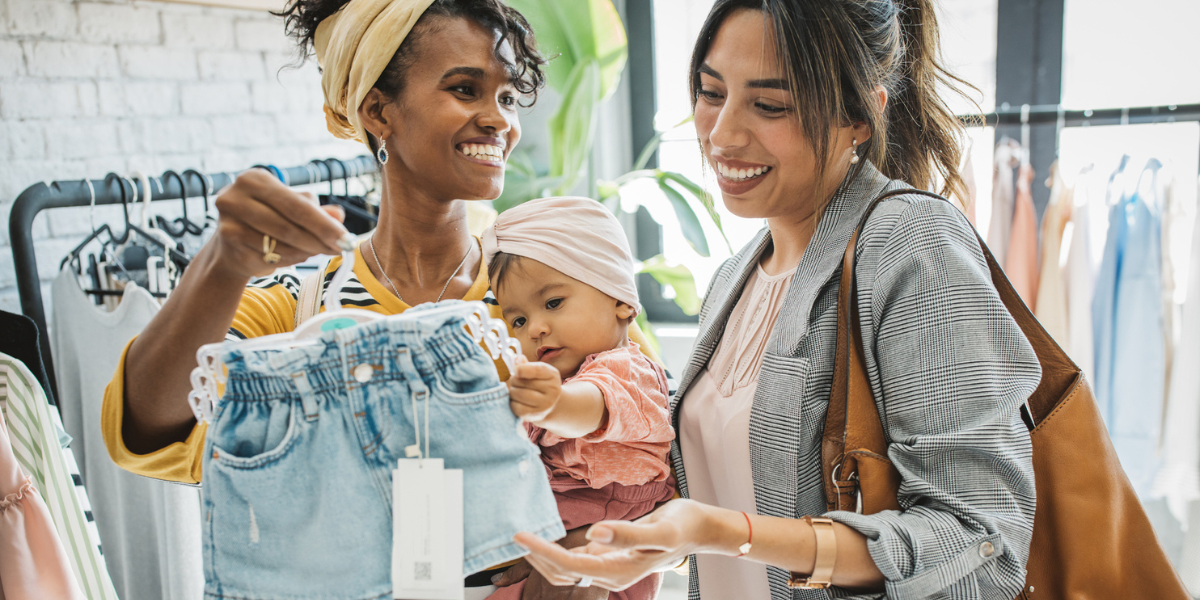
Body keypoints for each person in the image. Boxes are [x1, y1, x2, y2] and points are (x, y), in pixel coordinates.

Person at [100, 1, 651, 598]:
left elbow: (651, 448)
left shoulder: (552, 293)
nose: (499, 121)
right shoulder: (300, 306)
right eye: (466, 88)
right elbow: (147, 434)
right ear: (378, 110)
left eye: (508, 98)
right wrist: (219, 265)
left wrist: (588, 561)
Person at [513, 1, 1043, 599]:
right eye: (711, 93)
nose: (722, 134)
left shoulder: (910, 245)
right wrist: (648, 546)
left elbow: (978, 535)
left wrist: (722, 531)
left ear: (861, 117)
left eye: (769, 105)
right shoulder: (733, 279)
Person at [482, 197, 676, 600]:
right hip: (558, 538)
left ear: (621, 300)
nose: (534, 328)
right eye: (517, 319)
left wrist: (552, 405)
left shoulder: (624, 369)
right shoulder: (572, 376)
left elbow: (590, 409)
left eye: (553, 303)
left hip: (600, 541)